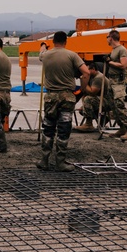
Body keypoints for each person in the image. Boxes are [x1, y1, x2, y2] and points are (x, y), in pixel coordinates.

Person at [37, 31, 88, 172]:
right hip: (67, 97)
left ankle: (44, 160)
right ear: (66, 41)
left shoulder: (45, 55)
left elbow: (41, 53)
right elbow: (86, 73)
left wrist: (43, 45)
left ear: (53, 41)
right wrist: (82, 90)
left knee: (48, 129)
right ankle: (60, 162)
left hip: (51, 97)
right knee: (63, 130)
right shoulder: (72, 55)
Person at [104, 30, 127, 141]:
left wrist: (110, 62)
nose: (107, 39)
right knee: (112, 105)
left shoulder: (122, 50)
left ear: (111, 38)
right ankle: (122, 127)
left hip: (119, 81)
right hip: (112, 80)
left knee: (119, 104)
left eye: (107, 37)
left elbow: (123, 65)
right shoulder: (114, 50)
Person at [74, 61, 113, 132]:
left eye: (87, 69)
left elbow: (92, 92)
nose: (86, 72)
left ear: (93, 69)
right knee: (82, 110)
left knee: (88, 99)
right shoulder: (91, 77)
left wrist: (84, 81)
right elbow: (84, 91)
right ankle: (103, 118)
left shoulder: (98, 77)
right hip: (101, 100)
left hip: (108, 102)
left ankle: (89, 125)